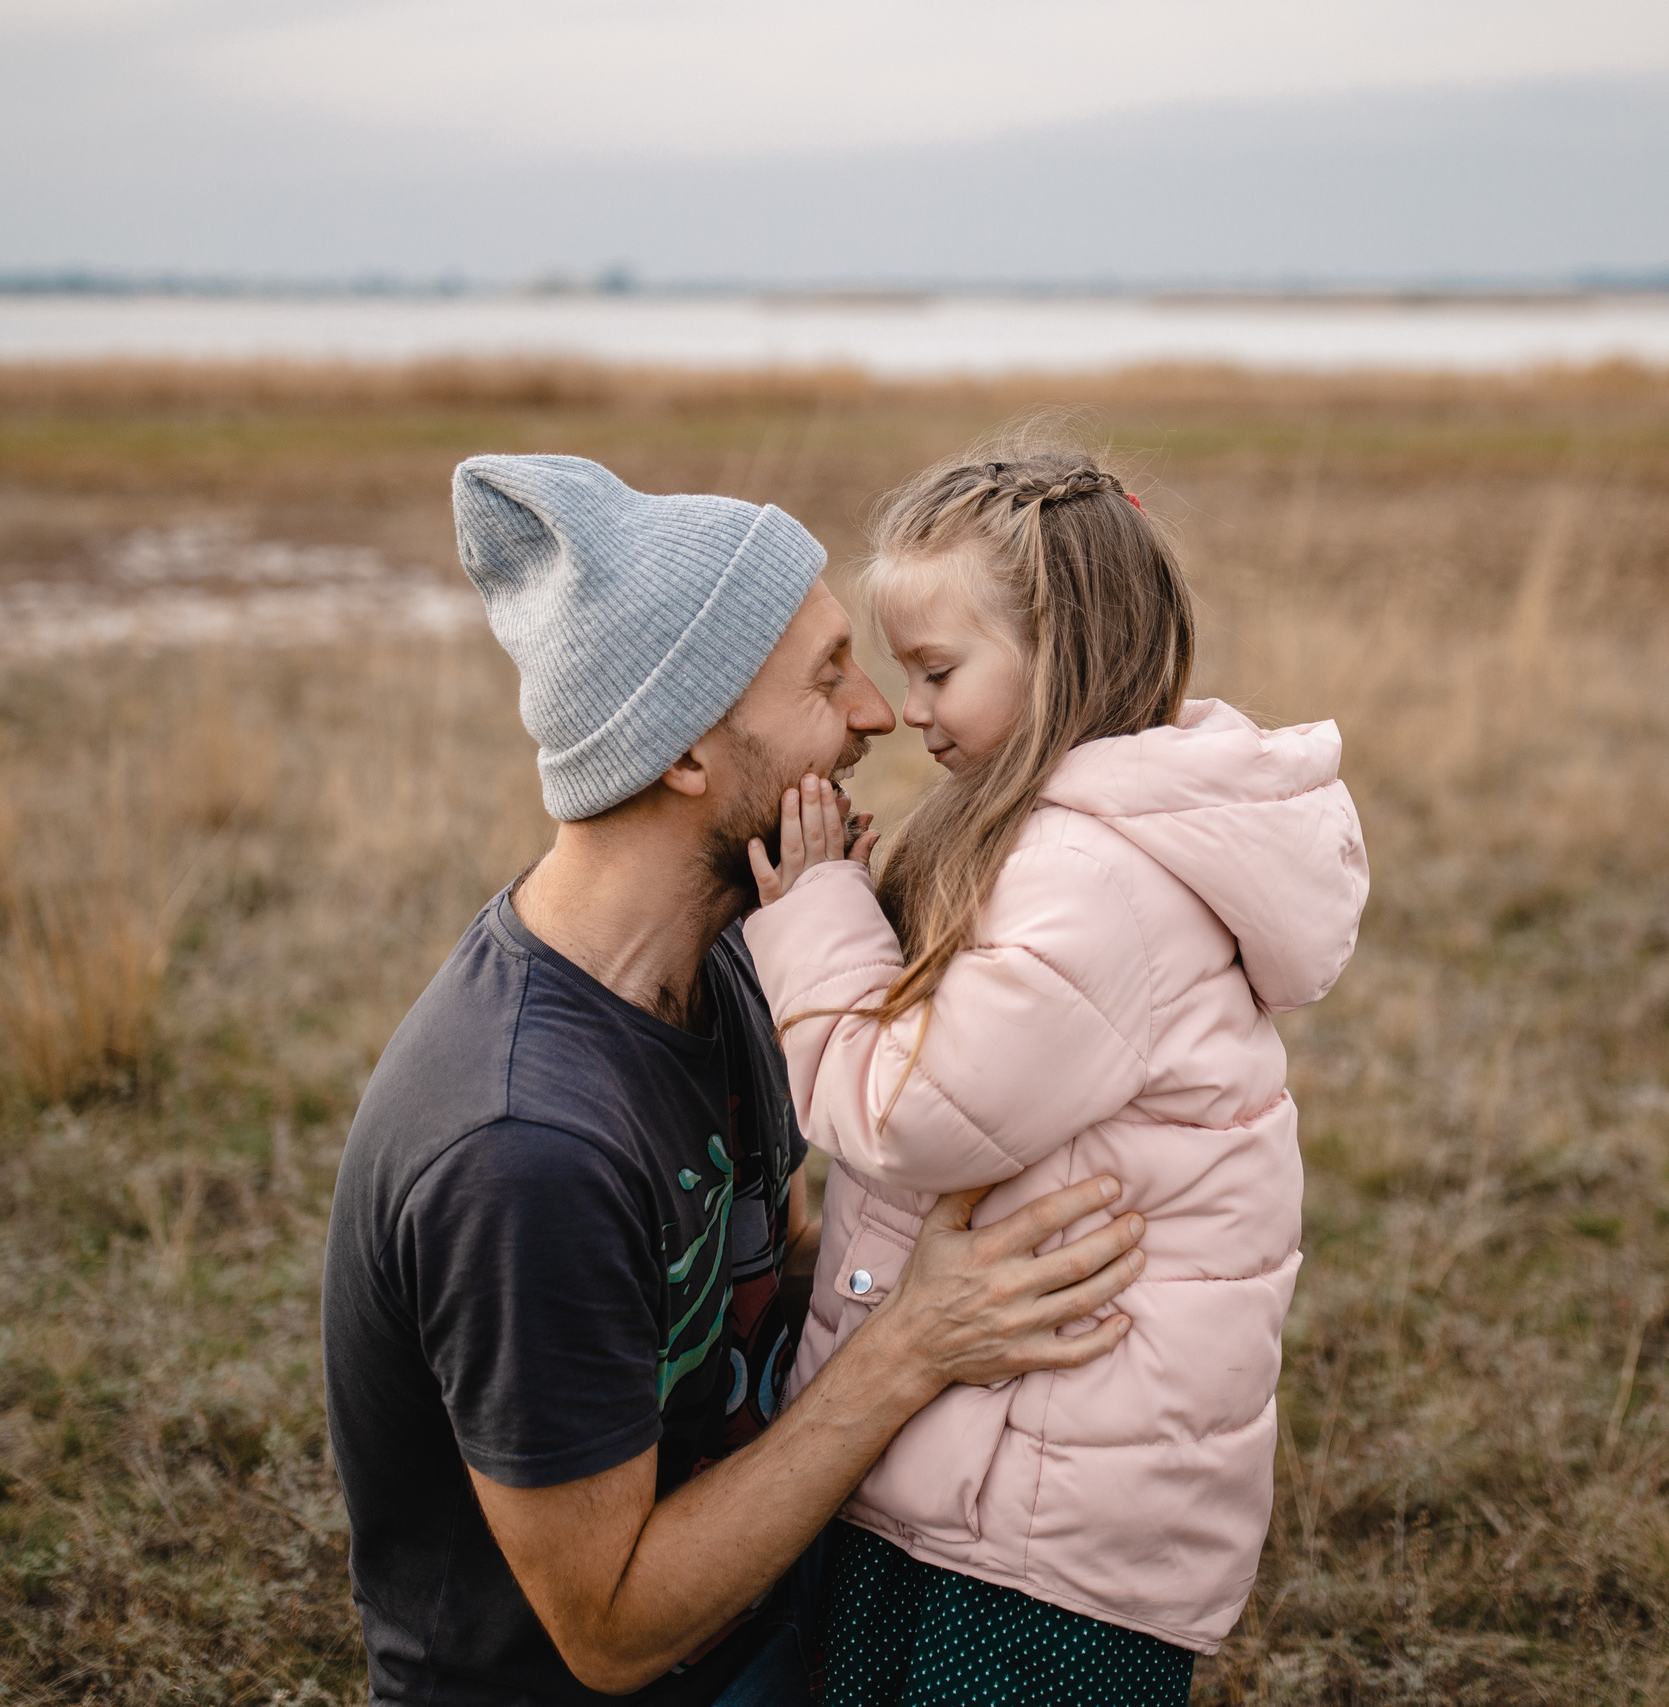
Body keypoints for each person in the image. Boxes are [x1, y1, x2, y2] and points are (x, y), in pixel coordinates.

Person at [321, 453, 1151, 1707]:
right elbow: (609, 1632)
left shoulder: (737, 969)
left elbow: (770, 1262)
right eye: (827, 677)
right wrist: (916, 1344)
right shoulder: (522, 1148)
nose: (877, 715)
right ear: (688, 752)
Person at [742, 442, 1371, 1703]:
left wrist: (817, 914)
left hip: (1049, 1532)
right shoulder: (1057, 843)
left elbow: (910, 1113)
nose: (908, 711)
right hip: (985, 1474)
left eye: (936, 671)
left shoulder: (1097, 882)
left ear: (1064, 653)